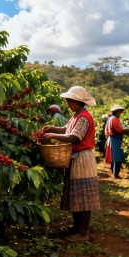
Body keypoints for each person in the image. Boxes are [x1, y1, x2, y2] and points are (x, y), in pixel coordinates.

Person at [40, 86, 100, 242]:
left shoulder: (84, 117)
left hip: (82, 158)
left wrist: (53, 135)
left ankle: (83, 233)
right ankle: (77, 227)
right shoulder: (77, 116)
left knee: (84, 197)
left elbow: (74, 138)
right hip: (75, 157)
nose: (67, 103)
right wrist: (54, 129)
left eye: (69, 101)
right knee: (76, 196)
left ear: (77, 102)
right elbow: (67, 129)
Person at [104, 104, 129, 178]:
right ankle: (116, 174)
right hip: (115, 140)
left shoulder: (111, 118)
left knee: (114, 158)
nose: (121, 114)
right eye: (120, 112)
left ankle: (114, 173)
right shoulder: (114, 119)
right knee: (117, 158)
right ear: (117, 111)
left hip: (113, 139)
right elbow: (119, 130)